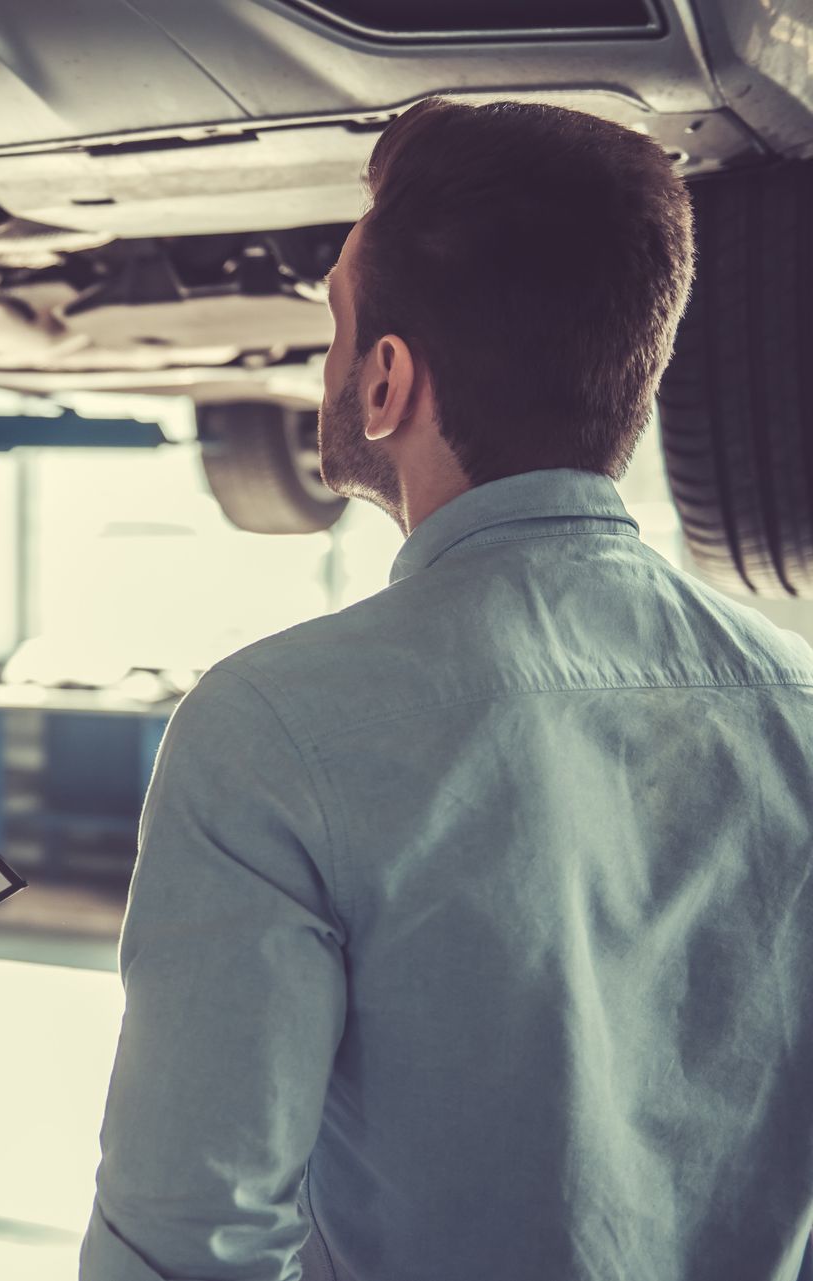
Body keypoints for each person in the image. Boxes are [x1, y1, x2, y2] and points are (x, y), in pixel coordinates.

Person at [81, 97, 813, 1281]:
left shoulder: (273, 729)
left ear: (385, 383)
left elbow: (189, 1244)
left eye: (333, 324)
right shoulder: (799, 706)